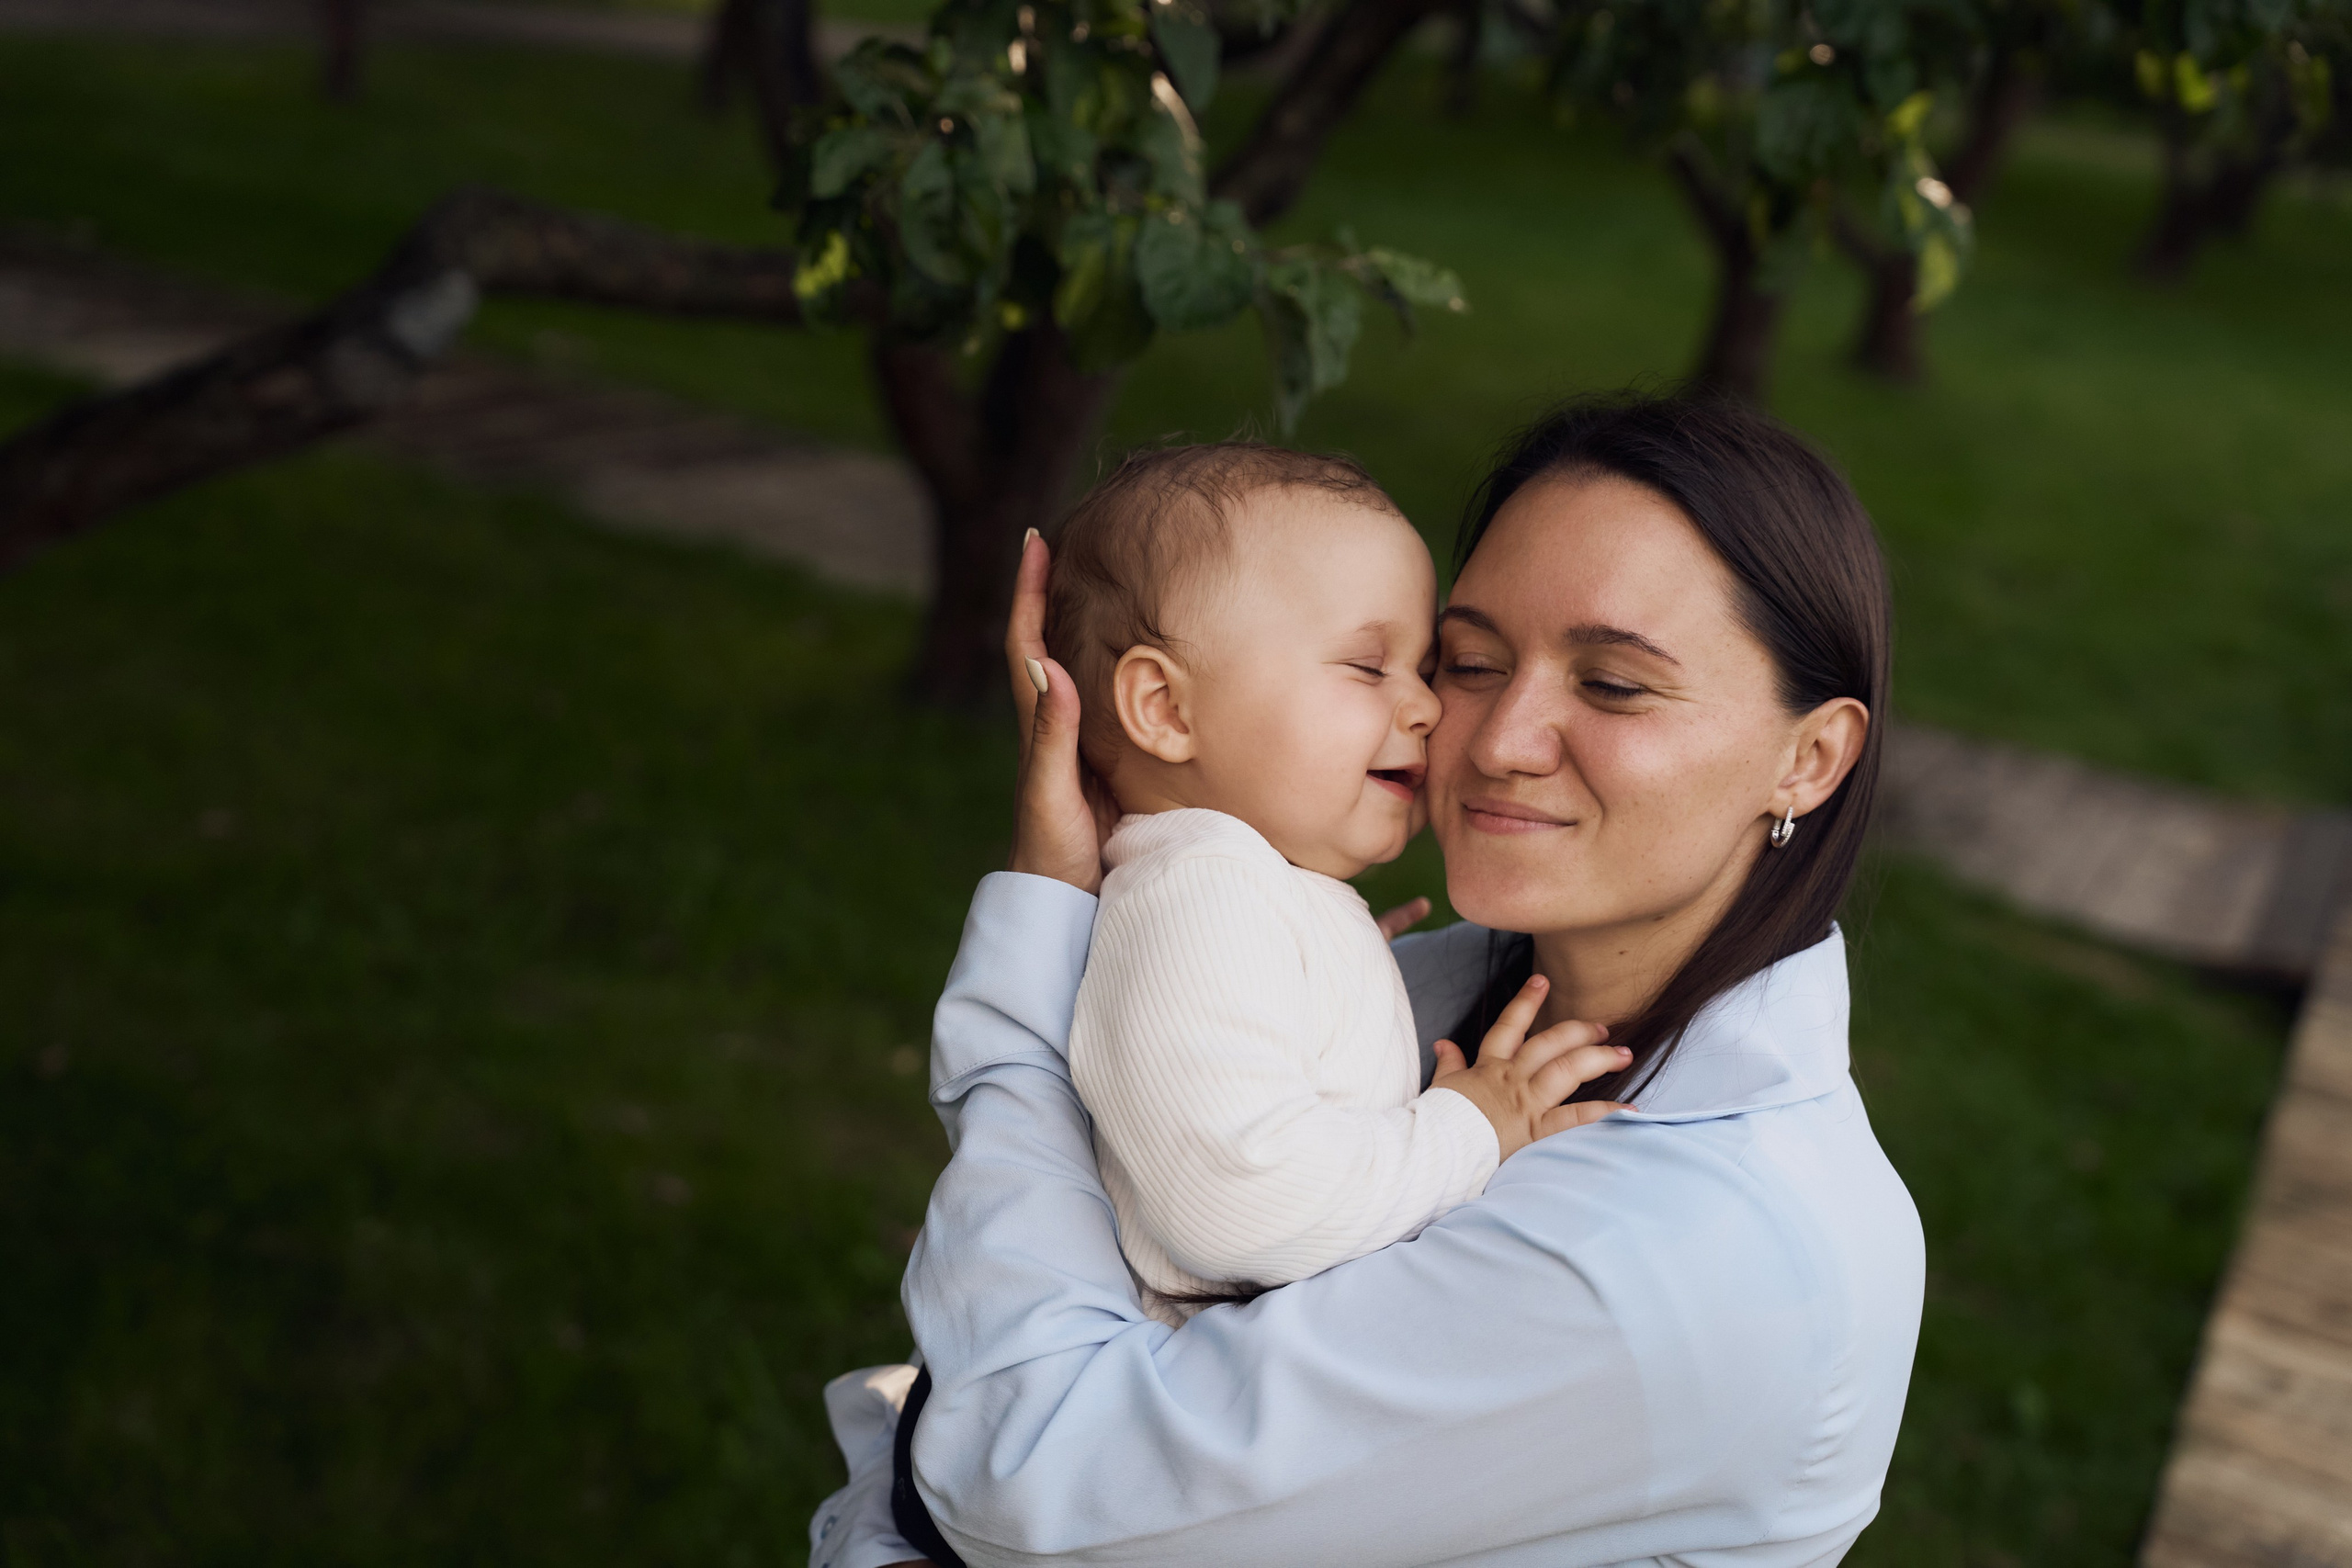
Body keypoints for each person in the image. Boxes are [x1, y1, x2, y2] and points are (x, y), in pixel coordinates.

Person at [809, 393, 1924, 1568]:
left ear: (1809, 758)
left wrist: (1035, 965)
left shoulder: (1683, 1256)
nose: (1491, 738)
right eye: (1471, 660)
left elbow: (1025, 1480)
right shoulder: (1419, 984)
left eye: (1612, 685)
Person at [1037, 442, 1630, 1327]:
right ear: (1164, 708)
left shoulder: (1235, 898)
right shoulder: (1201, 904)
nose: (1426, 706)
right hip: (1182, 1392)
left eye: (1427, 667)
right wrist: (1472, 1124)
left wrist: (1330, 978)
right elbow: (1237, 1205)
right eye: (1367, 666)